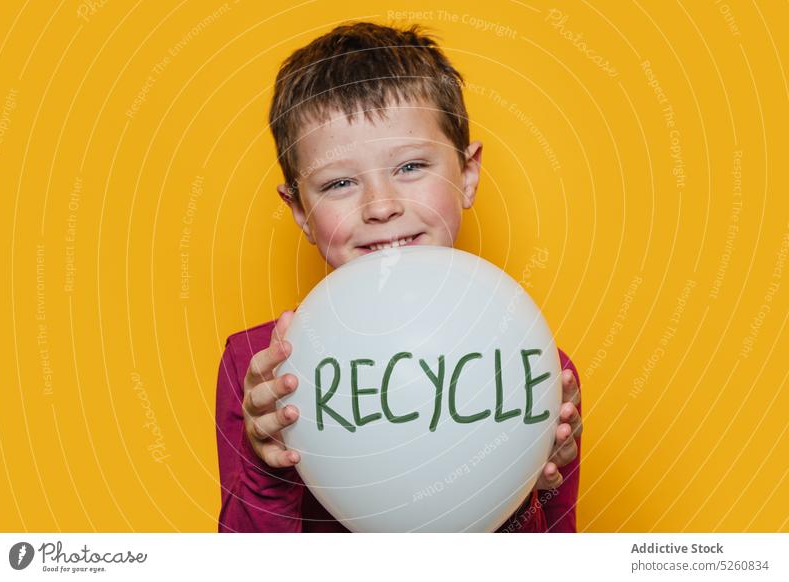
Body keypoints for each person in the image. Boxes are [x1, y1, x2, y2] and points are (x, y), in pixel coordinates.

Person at [216, 21, 583, 533]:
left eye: (410, 166)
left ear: (468, 173)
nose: (381, 206)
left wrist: (528, 494)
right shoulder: (261, 371)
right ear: (299, 210)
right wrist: (266, 465)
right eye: (340, 182)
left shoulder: (528, 365)